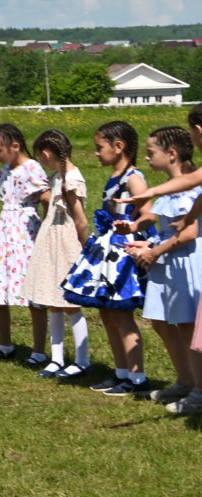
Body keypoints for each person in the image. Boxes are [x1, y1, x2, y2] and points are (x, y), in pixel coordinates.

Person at [62, 120, 151, 398]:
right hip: (107, 254)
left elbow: (147, 212)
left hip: (122, 255)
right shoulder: (115, 177)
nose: (96, 153)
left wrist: (134, 233)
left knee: (123, 316)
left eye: (99, 148)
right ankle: (121, 371)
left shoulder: (133, 177)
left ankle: (138, 376)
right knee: (108, 313)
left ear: (118, 146)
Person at [122, 126, 201, 410]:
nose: (146, 157)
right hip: (168, 261)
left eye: (150, 152)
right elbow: (165, 227)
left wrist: (155, 250)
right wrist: (146, 242)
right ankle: (185, 380)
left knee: (188, 325)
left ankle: (198, 391)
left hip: (187, 260)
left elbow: (190, 233)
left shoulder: (192, 188)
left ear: (171, 154)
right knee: (164, 322)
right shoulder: (170, 190)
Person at [0, 123, 48, 363]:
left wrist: (47, 228)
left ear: (15, 146)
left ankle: (38, 350)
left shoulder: (32, 168)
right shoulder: (7, 169)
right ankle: (5, 345)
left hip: (25, 232)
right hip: (4, 233)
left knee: (33, 293)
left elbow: (46, 197)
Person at [27, 130, 92, 382]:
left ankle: (82, 359)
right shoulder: (58, 177)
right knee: (53, 300)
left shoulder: (72, 179)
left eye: (41, 158)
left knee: (70, 304)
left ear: (46, 153)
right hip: (52, 242)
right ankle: (57, 358)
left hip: (67, 244)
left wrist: (86, 250)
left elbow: (81, 220)